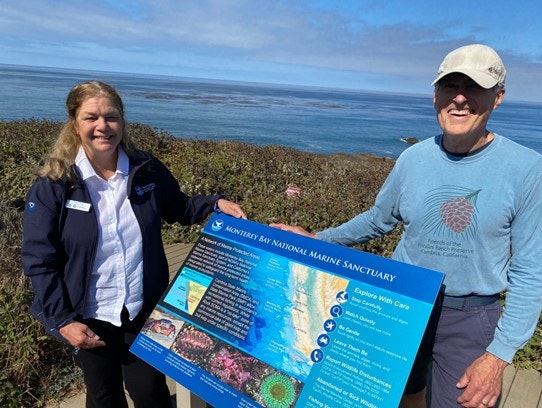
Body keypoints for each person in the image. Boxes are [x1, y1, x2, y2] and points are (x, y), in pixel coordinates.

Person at [271, 44, 542, 408]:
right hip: (400, 304)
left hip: (469, 316)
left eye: (474, 87)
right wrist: (317, 239)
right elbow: (378, 219)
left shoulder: (526, 168)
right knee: (392, 399)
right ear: (435, 97)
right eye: (450, 86)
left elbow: (531, 271)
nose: (460, 98)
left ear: (498, 97)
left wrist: (499, 355)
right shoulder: (413, 157)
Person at [21, 80, 247, 408]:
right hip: (88, 315)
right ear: (74, 124)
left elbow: (178, 207)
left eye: (111, 117)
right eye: (91, 118)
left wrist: (215, 203)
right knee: (103, 396)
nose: (103, 126)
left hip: (143, 309)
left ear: (122, 122)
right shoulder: (55, 184)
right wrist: (62, 321)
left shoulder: (146, 169)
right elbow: (39, 259)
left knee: (150, 392)